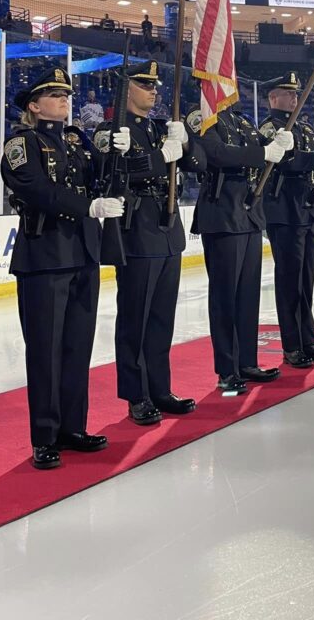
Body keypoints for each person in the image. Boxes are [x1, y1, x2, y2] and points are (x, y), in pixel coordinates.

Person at [1, 67, 123, 469]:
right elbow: (35, 188)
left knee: (76, 349)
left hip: (83, 255)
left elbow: (98, 178)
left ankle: (73, 427)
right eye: (54, 95)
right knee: (45, 351)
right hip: (46, 257)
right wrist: (85, 206)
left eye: (66, 94)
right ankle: (45, 436)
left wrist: (114, 150)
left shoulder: (75, 141)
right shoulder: (22, 143)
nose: (64, 100)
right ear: (34, 106)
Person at [93, 60, 205, 425]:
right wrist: (159, 157)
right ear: (127, 89)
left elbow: (196, 165)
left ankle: (160, 387)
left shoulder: (159, 128)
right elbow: (114, 172)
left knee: (161, 319)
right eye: (145, 85)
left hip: (166, 228)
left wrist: (185, 142)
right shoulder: (111, 130)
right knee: (135, 319)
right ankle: (136, 394)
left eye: (155, 85)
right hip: (137, 230)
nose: (154, 90)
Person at [189, 104, 292, 395]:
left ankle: (247, 362)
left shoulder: (243, 122)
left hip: (248, 215)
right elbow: (215, 153)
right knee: (225, 298)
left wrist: (281, 145)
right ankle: (227, 370)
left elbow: (265, 151)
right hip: (221, 214)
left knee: (248, 297)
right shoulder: (204, 117)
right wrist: (262, 153)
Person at [259, 73, 314, 369]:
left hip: (308, 211)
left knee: (305, 281)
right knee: (289, 281)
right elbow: (292, 162)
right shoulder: (270, 129)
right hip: (284, 211)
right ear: (272, 98)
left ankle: (308, 340)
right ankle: (292, 345)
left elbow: (313, 161)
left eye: (296, 93)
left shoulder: (304, 127)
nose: (295, 98)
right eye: (288, 93)